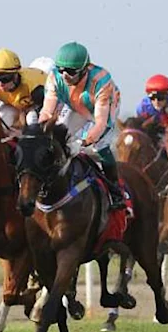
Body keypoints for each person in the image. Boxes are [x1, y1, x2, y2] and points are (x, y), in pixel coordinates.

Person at [38, 41, 124, 209]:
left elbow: (100, 123)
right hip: (75, 106)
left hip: (103, 108)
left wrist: (84, 141)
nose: (64, 75)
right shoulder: (54, 77)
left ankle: (115, 191)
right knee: (59, 138)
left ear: (85, 69)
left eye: (70, 71)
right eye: (60, 69)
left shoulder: (102, 82)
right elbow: (47, 112)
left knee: (100, 145)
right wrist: (40, 131)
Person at [0, 48, 47, 134]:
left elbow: (46, 109)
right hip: (15, 105)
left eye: (5, 79)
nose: (0, 85)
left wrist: (24, 130)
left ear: (15, 75)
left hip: (38, 103)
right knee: (3, 118)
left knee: (31, 119)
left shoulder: (33, 86)